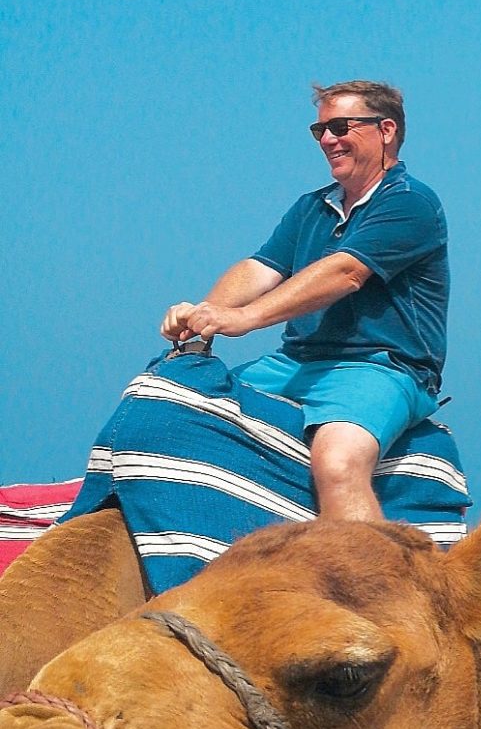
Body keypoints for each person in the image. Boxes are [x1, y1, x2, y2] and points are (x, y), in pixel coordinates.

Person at [159, 82, 448, 521]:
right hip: (295, 364)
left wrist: (244, 318)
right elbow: (260, 270)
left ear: (386, 130)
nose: (328, 140)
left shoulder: (411, 204)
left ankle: (365, 584)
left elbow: (345, 272)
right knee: (179, 410)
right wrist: (202, 316)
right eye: (320, 131)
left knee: (337, 464)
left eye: (339, 126)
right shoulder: (311, 208)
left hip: (380, 367)